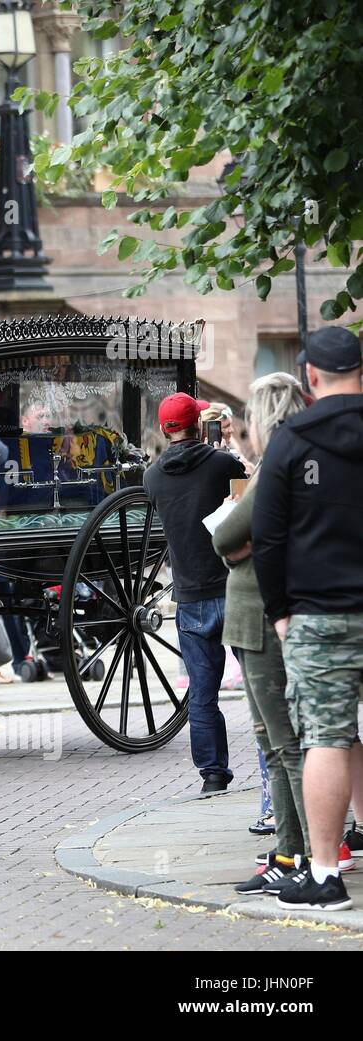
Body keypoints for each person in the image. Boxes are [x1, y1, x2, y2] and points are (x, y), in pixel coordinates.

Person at [252, 327, 363, 912]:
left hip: (319, 615)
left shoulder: (291, 440)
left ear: (311, 377)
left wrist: (279, 613)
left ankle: (324, 875)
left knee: (326, 737)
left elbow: (266, 538)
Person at [215, 373, 311, 897]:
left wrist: (244, 540)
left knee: (283, 744)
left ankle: (307, 852)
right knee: (274, 743)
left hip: (260, 616)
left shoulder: (278, 466)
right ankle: (289, 849)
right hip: (260, 615)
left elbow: (227, 536)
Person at [143, 392, 245, 794]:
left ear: (163, 428)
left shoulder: (151, 477)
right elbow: (243, 496)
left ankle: (213, 774)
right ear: (199, 424)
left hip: (190, 596)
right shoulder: (222, 463)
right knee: (258, 685)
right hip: (232, 588)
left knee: (202, 694)